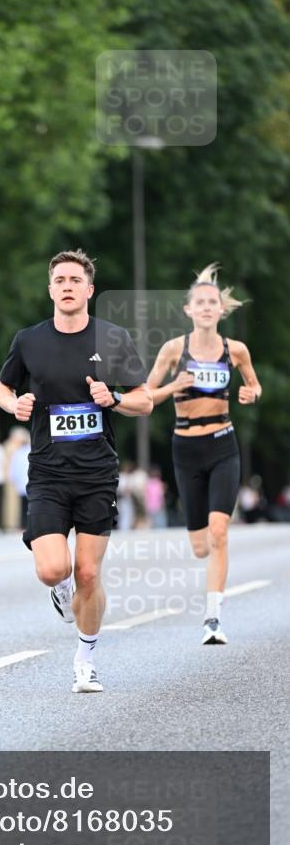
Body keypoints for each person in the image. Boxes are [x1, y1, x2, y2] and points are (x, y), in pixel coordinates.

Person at [0, 249, 153, 693]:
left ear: (89, 290)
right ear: (50, 289)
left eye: (74, 280)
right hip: (47, 472)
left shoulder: (113, 339)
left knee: (88, 573)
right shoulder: (29, 341)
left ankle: (86, 657)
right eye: (59, 279)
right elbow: (1, 388)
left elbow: (146, 399)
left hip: (97, 473)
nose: (66, 286)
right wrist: (15, 404)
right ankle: (60, 594)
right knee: (52, 570)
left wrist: (114, 399)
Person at [146, 263, 262, 645]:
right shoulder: (173, 350)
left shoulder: (237, 350)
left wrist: (250, 393)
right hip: (185, 448)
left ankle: (213, 617)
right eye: (201, 302)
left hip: (222, 445)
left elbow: (253, 386)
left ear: (220, 310)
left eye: (214, 302)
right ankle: (208, 580)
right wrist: (174, 386)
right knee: (199, 545)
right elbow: (145, 398)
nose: (208, 308)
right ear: (189, 310)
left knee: (219, 532)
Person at [7, 429, 31, 527]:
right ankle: (29, 525)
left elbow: (14, 468)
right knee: (30, 506)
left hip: (23, 483)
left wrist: (13, 478)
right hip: (30, 482)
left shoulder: (18, 452)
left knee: (23, 506)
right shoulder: (31, 450)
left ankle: (23, 525)